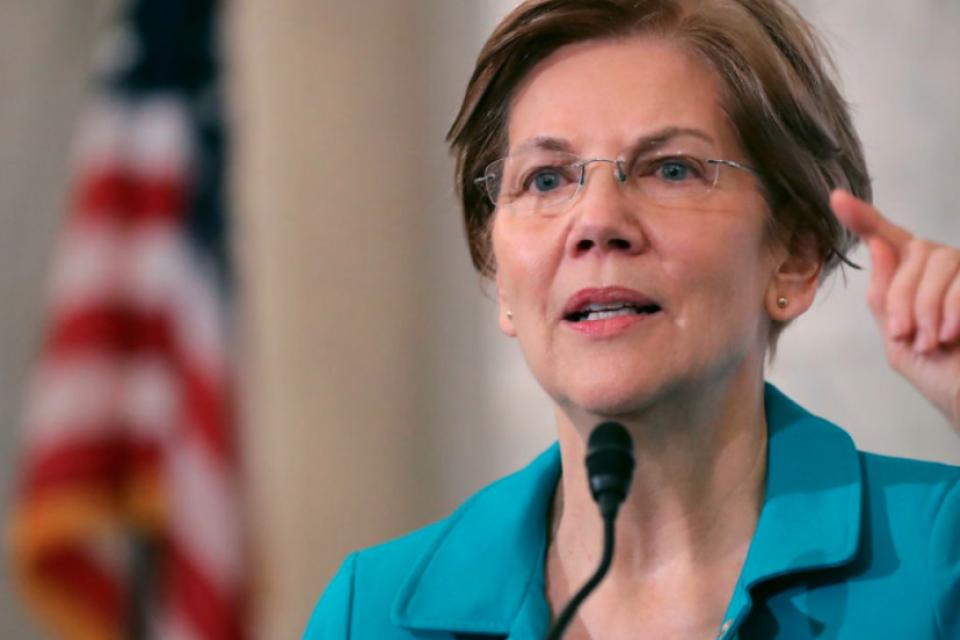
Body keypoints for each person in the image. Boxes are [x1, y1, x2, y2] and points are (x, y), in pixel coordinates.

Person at [304, 0, 960, 637]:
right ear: (500, 275)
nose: (596, 223)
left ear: (794, 256)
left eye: (670, 170)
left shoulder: (940, 560)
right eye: (546, 179)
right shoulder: (375, 614)